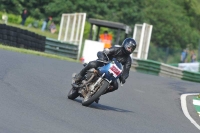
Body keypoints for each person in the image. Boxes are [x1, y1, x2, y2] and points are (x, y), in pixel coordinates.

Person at [74, 38, 137, 103]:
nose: (130, 49)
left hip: (113, 72)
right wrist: (103, 58)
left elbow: (126, 70)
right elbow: (103, 52)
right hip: (104, 64)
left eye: (132, 49)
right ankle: (79, 76)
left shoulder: (128, 60)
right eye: (129, 47)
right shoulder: (116, 49)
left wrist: (124, 77)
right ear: (125, 44)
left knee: (115, 86)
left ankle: (98, 94)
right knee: (92, 64)